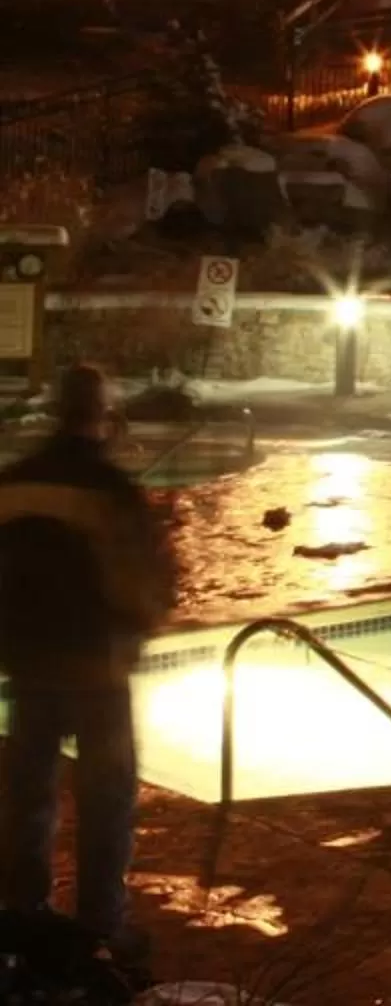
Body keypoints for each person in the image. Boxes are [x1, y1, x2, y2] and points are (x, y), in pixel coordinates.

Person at [0, 365, 175, 952]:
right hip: (96, 669)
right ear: (102, 414)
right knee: (107, 799)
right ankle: (101, 925)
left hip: (27, 664)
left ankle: (24, 910)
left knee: (30, 794)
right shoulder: (110, 490)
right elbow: (139, 588)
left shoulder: (15, 481)